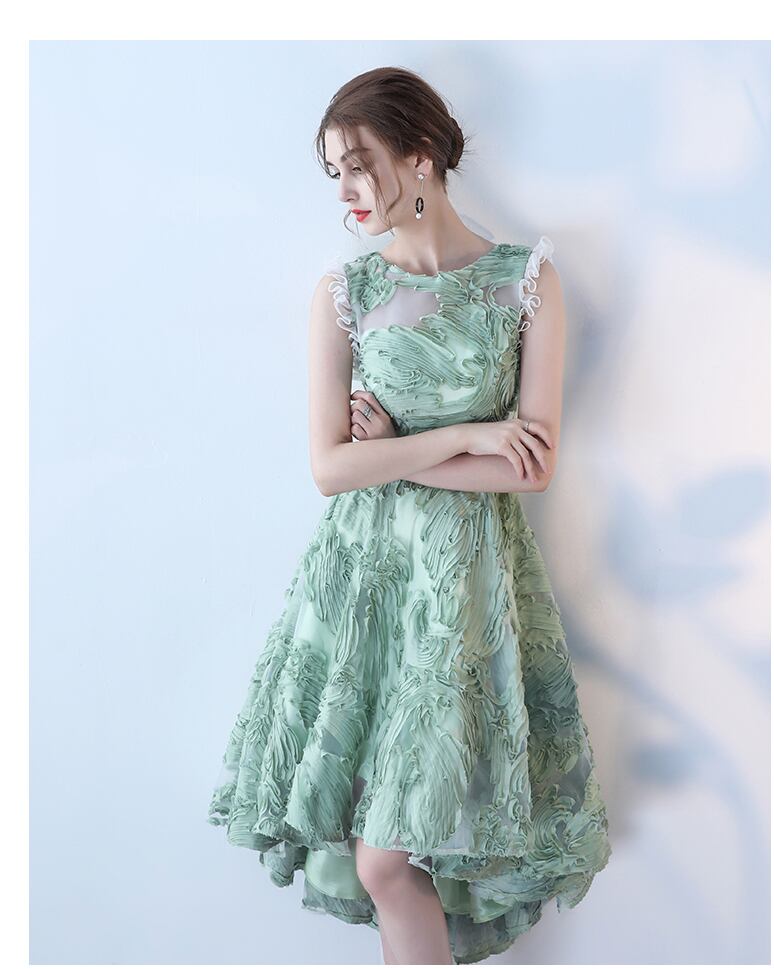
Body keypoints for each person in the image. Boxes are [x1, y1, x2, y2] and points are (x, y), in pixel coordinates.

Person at [207, 66, 612, 966]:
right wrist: (468, 432)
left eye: (358, 165)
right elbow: (331, 468)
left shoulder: (527, 282)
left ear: (420, 156)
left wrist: (398, 448)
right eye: (334, 172)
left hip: (467, 587)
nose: (344, 192)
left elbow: (530, 467)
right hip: (369, 584)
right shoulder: (344, 294)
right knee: (381, 855)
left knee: (397, 849)